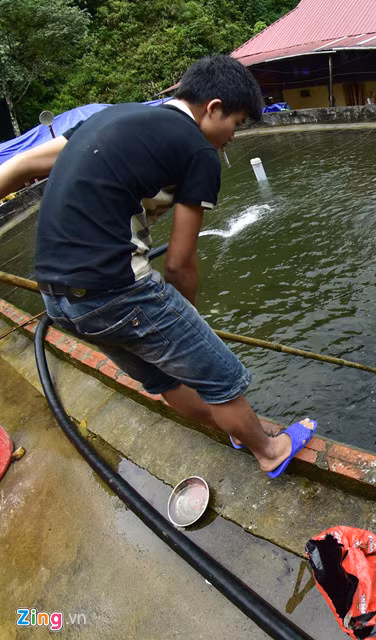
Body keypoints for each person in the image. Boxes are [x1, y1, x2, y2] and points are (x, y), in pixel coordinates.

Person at [0, 55, 315, 478]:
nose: (233, 138)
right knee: (221, 375)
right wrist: (186, 321)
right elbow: (181, 263)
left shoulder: (109, 118)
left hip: (59, 300)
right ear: (214, 108)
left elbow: (20, 166)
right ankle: (269, 450)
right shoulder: (199, 151)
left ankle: (236, 431)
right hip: (116, 291)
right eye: (236, 124)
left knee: (164, 379)